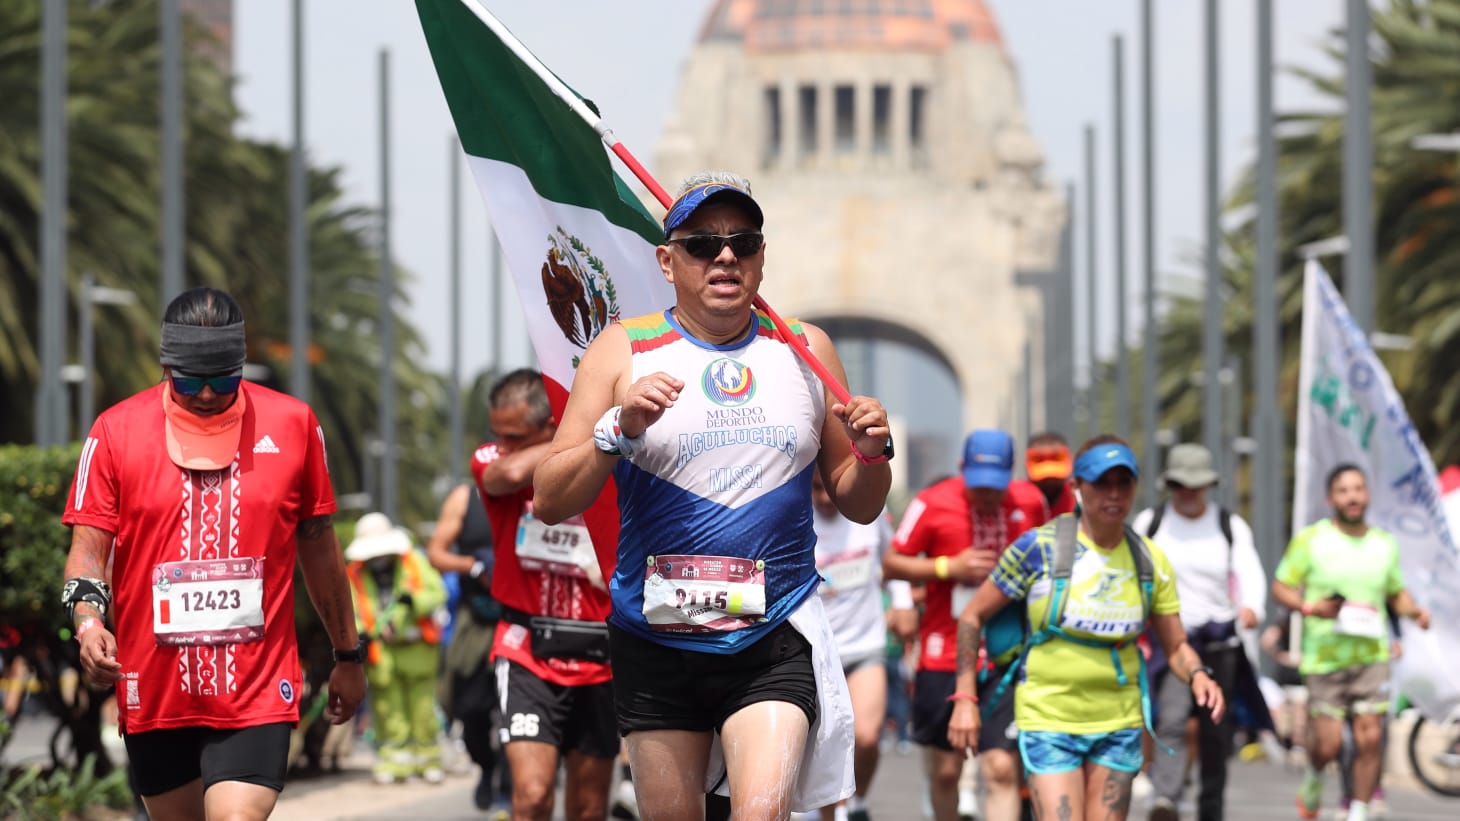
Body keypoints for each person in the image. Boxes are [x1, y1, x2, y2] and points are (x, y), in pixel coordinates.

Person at [531, 170, 893, 821]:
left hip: (773, 631)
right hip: (656, 637)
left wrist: (871, 454)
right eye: (701, 244)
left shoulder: (806, 349)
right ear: (667, 262)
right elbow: (551, 498)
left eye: (742, 242)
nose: (725, 256)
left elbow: (859, 502)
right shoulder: (624, 349)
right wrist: (615, 431)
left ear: (761, 257)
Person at [60, 287, 366, 821]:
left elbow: (320, 550)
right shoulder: (115, 431)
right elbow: (88, 545)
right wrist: (88, 624)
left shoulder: (293, 424)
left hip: (256, 688)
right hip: (155, 689)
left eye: (223, 381)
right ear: (165, 367)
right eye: (189, 381)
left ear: (242, 366)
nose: (205, 394)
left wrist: (348, 655)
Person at [947, 435, 1225, 821]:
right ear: (1077, 487)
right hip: (1048, 719)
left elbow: (1176, 646)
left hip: (1119, 724)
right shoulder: (1038, 549)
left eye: (1123, 482)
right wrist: (965, 698)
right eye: (1101, 483)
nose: (1114, 494)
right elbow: (972, 616)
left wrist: (1198, 675)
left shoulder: (1149, 559)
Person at [472, 368, 619, 821]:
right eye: (498, 432)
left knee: (588, 809)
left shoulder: (606, 461)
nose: (502, 444)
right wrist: (583, 437)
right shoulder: (494, 457)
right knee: (533, 796)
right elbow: (510, 472)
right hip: (527, 650)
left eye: (514, 435)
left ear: (551, 422)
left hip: (600, 656)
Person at [884, 429, 1049, 821]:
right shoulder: (931, 502)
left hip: (1008, 654)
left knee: (1001, 768)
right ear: (962, 468)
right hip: (944, 650)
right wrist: (948, 567)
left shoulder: (1031, 502)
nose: (987, 495)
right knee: (946, 772)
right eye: (978, 485)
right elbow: (891, 563)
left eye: (996, 486)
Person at [1272, 464, 1431, 821]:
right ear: (1331, 498)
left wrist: (1415, 612)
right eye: (1344, 491)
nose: (1352, 497)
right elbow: (1281, 587)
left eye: (1358, 489)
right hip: (1324, 658)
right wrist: (1310, 607)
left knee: (1370, 738)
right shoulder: (1311, 540)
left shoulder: (1383, 544)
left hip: (1371, 656)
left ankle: (1358, 810)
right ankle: (1315, 774)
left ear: (1367, 495)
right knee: (1328, 745)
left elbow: (1396, 593)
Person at [1130, 443, 1267, 821]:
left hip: (1219, 641)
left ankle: (1211, 808)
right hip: (1172, 639)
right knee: (1172, 719)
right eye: (1180, 485)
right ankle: (1166, 797)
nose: (1188, 493)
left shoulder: (1229, 525)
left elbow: (1249, 570)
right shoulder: (1152, 523)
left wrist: (1252, 607)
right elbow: (1132, 570)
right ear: (1170, 486)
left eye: (1195, 485)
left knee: (1215, 730)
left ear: (1208, 485)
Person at [810, 468, 905, 821]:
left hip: (865, 643)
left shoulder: (870, 512)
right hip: (816, 652)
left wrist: (903, 605)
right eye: (816, 489)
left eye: (829, 489)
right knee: (824, 744)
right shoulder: (796, 515)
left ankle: (858, 800)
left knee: (866, 736)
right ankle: (830, 814)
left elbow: (891, 562)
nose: (824, 498)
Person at [426, 480, 512, 814]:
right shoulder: (465, 498)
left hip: (520, 618)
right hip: (476, 621)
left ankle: (509, 782)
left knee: (514, 711)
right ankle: (486, 767)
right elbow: (436, 552)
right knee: (470, 708)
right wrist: (474, 566)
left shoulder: (538, 489)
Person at [344, 513, 448, 785]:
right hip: (382, 652)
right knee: (387, 709)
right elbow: (350, 609)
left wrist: (414, 602)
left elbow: (438, 593)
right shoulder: (355, 573)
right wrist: (360, 633)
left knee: (422, 709)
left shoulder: (414, 562)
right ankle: (393, 761)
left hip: (417, 648)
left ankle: (428, 760)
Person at [1022, 431, 1078, 517]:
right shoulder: (1012, 501)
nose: (1049, 482)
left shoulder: (1081, 501)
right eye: (1042, 479)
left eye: (1055, 478)